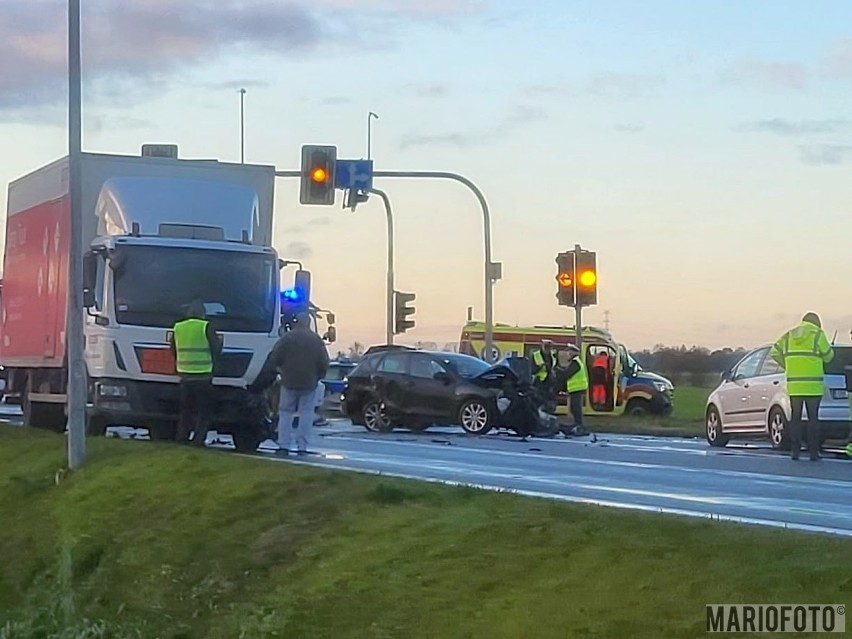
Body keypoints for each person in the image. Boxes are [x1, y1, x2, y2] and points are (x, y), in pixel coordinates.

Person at [251, 311, 329, 455]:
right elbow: (324, 361)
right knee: (306, 413)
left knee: (285, 413)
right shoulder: (316, 340)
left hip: (289, 381)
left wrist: (279, 370)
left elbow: (275, 356)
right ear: (309, 323)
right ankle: (302, 447)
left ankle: (284, 445)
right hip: (309, 382)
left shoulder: (287, 338)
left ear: (296, 322)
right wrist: (319, 376)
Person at [770, 312, 834, 461]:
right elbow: (829, 356)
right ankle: (813, 452)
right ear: (817, 323)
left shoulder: (789, 335)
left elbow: (774, 352)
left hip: (794, 385)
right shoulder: (817, 334)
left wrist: (787, 364)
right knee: (813, 419)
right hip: (813, 385)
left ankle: (795, 451)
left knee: (795, 418)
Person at [169, 300, 222, 446]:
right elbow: (216, 349)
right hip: (203, 376)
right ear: (203, 314)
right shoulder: (206, 326)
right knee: (203, 411)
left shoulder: (178, 327)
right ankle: (198, 439)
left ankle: (182, 437)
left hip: (185, 376)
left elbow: (173, 349)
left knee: (186, 410)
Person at [561, 344, 589, 436]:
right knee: (574, 408)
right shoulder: (575, 362)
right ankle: (577, 425)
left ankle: (579, 426)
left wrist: (560, 375)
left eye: (570, 351)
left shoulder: (575, 362)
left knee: (575, 408)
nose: (568, 353)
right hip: (576, 388)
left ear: (574, 352)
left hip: (577, 388)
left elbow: (568, 374)